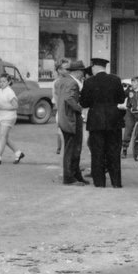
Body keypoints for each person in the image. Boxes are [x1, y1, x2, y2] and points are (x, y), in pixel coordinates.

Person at [80, 57, 126, 188]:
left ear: (94, 67)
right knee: (114, 151)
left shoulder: (89, 82)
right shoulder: (116, 79)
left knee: (97, 152)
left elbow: (84, 102)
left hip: (96, 120)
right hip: (114, 119)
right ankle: (116, 182)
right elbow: (121, 99)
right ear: (105, 67)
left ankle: (99, 182)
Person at [58, 58, 87, 186]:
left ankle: (75, 175)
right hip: (71, 119)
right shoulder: (73, 83)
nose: (83, 74)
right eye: (82, 71)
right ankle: (69, 177)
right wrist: (79, 108)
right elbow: (69, 98)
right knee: (73, 149)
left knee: (71, 148)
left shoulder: (63, 80)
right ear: (78, 71)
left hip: (64, 118)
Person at [0, 72, 23, 165]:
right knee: (5, 137)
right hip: (1, 117)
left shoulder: (10, 92)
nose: (1, 83)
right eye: (0, 81)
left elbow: (15, 106)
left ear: (9, 82)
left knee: (2, 136)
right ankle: (18, 153)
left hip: (9, 117)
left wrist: (3, 107)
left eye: (4, 81)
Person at [52, 57, 71, 155]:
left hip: (66, 113)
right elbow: (57, 101)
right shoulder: (57, 83)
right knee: (65, 139)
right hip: (62, 113)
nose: (69, 71)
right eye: (66, 69)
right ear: (59, 70)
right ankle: (66, 166)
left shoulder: (69, 80)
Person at [121, 75, 138, 161]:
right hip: (131, 112)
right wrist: (125, 89)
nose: (133, 84)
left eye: (135, 82)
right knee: (128, 129)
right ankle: (125, 148)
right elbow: (122, 97)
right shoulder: (130, 90)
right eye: (132, 82)